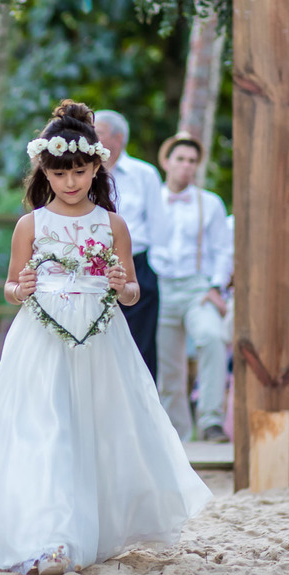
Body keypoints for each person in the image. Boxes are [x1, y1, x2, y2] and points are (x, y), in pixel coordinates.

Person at [0, 100, 210, 575]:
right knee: (49, 429)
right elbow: (11, 286)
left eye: (80, 172)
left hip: (99, 338)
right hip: (42, 339)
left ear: (96, 169)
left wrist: (121, 285)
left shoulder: (113, 225)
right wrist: (20, 288)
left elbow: (132, 292)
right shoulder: (30, 225)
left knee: (96, 430)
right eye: (60, 172)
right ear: (44, 171)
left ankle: (91, 530)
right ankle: (53, 539)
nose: (70, 182)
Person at [154, 132, 233, 443]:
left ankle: (211, 421)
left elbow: (223, 250)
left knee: (212, 337)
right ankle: (176, 434)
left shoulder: (209, 203)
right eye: (180, 159)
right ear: (166, 161)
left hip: (197, 288)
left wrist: (216, 286)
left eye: (192, 161)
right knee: (167, 363)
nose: (186, 165)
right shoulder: (151, 201)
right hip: (159, 287)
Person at [94, 109, 169, 381]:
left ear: (118, 138)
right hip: (94, 268)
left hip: (138, 265)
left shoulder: (144, 174)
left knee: (141, 346)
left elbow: (158, 224)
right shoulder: (84, 173)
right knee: (97, 344)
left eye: (99, 133)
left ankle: (144, 402)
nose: (92, 138)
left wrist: (153, 270)